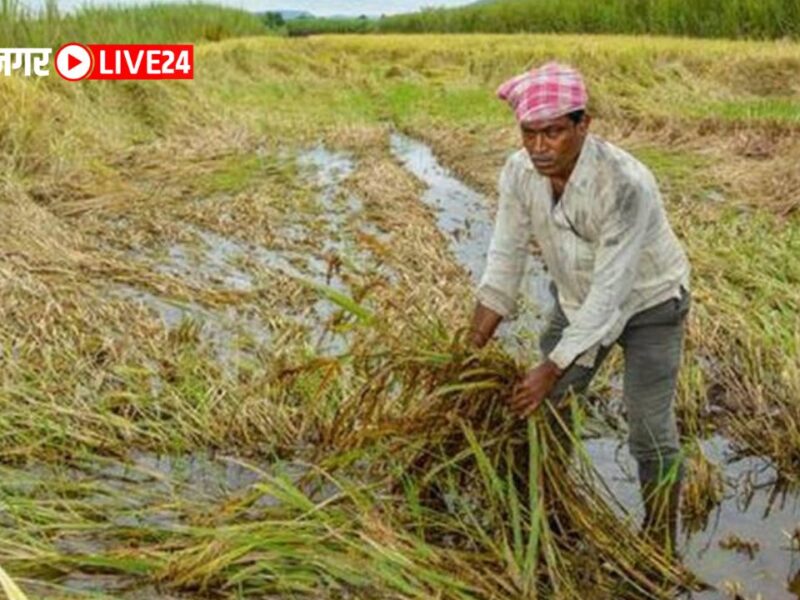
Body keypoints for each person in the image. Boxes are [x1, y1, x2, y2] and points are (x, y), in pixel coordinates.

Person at [469, 62, 691, 556]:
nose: (540, 147)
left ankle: (659, 543)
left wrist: (552, 366)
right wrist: (468, 348)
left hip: (651, 304)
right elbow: (504, 260)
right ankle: (549, 517)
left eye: (553, 132)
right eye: (529, 133)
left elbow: (612, 294)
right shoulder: (518, 173)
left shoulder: (625, 184)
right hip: (576, 301)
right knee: (543, 412)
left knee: (650, 431)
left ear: (582, 124)